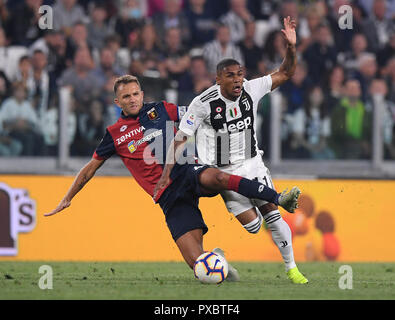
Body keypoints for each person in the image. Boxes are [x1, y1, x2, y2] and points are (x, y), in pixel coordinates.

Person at [45, 75, 300, 281]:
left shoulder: (160, 110)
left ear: (142, 95)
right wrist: (67, 198)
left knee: (219, 178)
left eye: (135, 94)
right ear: (117, 102)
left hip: (186, 171)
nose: (132, 99)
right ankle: (219, 261)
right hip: (168, 196)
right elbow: (90, 168)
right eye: (126, 96)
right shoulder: (114, 134)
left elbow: (198, 114)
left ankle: (278, 197)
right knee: (199, 266)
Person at [155, 16, 308, 284]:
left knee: (272, 214)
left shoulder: (252, 88)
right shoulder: (203, 103)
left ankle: (293, 269)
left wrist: (291, 48)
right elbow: (180, 138)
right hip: (224, 173)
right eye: (230, 76)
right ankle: (217, 257)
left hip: (252, 163)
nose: (237, 80)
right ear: (218, 80)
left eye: (240, 74)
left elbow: (285, 72)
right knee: (253, 227)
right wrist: (167, 173)